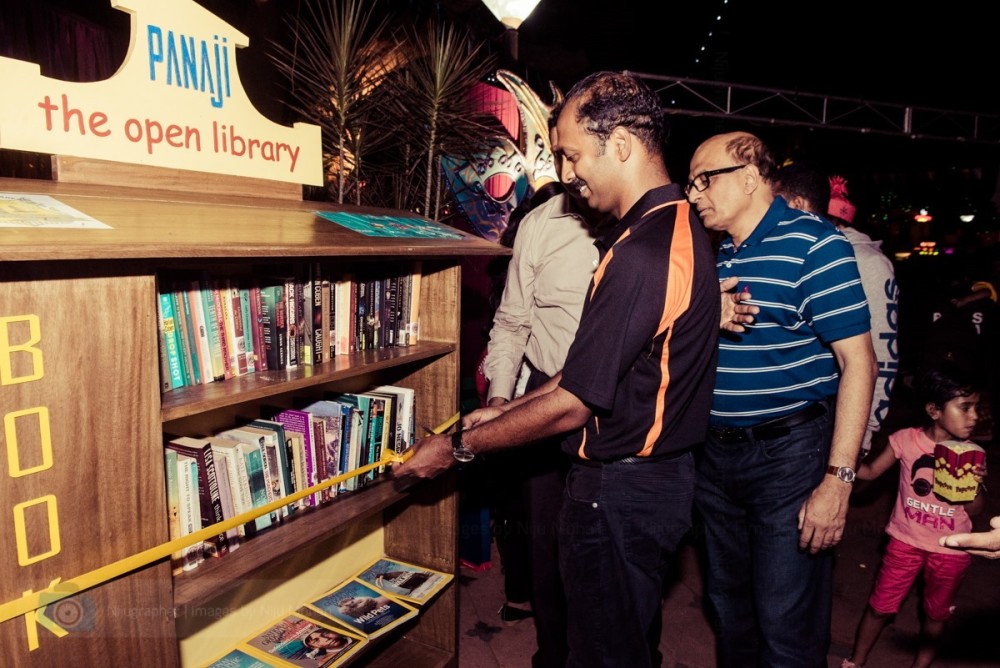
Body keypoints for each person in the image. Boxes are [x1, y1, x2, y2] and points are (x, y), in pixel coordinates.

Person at [397, 70, 721, 668]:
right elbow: (581, 376)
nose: (567, 173)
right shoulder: (667, 229)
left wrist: (453, 451)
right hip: (642, 485)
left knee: (605, 653)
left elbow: (573, 401)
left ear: (619, 145)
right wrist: (483, 419)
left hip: (623, 491)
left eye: (573, 154)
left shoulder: (644, 252)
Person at [687, 131, 877, 667]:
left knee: (785, 622)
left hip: (787, 457)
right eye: (690, 182)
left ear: (749, 177)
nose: (694, 192)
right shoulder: (720, 253)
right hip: (715, 459)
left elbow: (859, 361)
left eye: (704, 178)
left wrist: (838, 482)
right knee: (729, 610)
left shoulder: (817, 244)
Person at [480, 112, 607, 663]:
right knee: (548, 555)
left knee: (611, 562)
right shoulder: (541, 225)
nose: (567, 168)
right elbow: (511, 324)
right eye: (560, 155)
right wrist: (499, 406)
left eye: (575, 154)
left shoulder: (646, 228)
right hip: (542, 412)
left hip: (619, 419)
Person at [842, 364, 986, 668]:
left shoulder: (972, 453)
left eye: (976, 408)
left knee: (936, 615)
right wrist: (843, 459)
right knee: (880, 607)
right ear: (934, 410)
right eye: (965, 407)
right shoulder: (907, 440)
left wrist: (974, 483)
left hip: (951, 549)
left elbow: (974, 511)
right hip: (904, 541)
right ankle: (855, 661)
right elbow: (869, 472)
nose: (974, 416)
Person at [775, 164, 900, 458]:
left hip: (838, 425)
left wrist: (863, 436)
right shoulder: (793, 254)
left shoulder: (868, 263)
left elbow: (883, 354)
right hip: (799, 427)